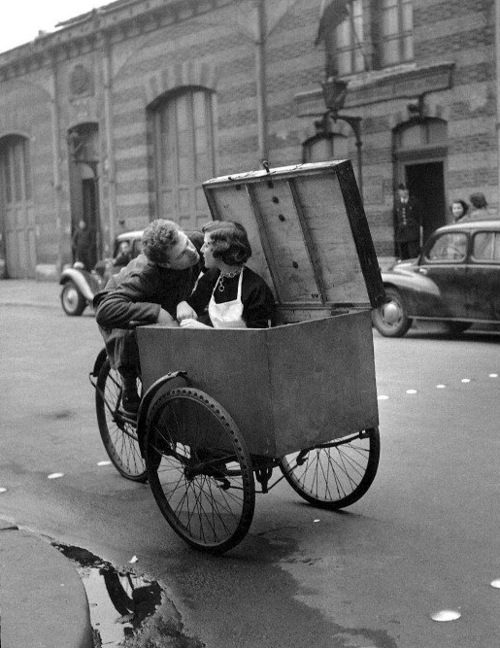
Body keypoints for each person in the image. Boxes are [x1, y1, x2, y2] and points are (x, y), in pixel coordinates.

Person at [94, 219, 201, 415]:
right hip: (122, 300)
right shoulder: (146, 274)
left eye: (186, 243)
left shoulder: (195, 242)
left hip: (167, 297)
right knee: (130, 336)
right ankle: (129, 385)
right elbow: (105, 310)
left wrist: (185, 302)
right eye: (181, 255)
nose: (191, 252)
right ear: (165, 264)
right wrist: (157, 312)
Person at [176, 220, 275, 329]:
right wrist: (182, 305)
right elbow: (194, 304)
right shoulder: (213, 276)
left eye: (207, 245)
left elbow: (260, 338)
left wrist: (207, 331)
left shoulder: (255, 288)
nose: (201, 249)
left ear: (223, 249)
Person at [393, 184, 422, 260]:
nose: (404, 192)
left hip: (413, 234)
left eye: (406, 190)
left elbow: (419, 217)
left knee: (413, 255)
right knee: (403, 257)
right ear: (399, 192)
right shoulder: (397, 204)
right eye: (402, 190)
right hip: (401, 235)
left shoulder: (414, 202)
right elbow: (395, 221)